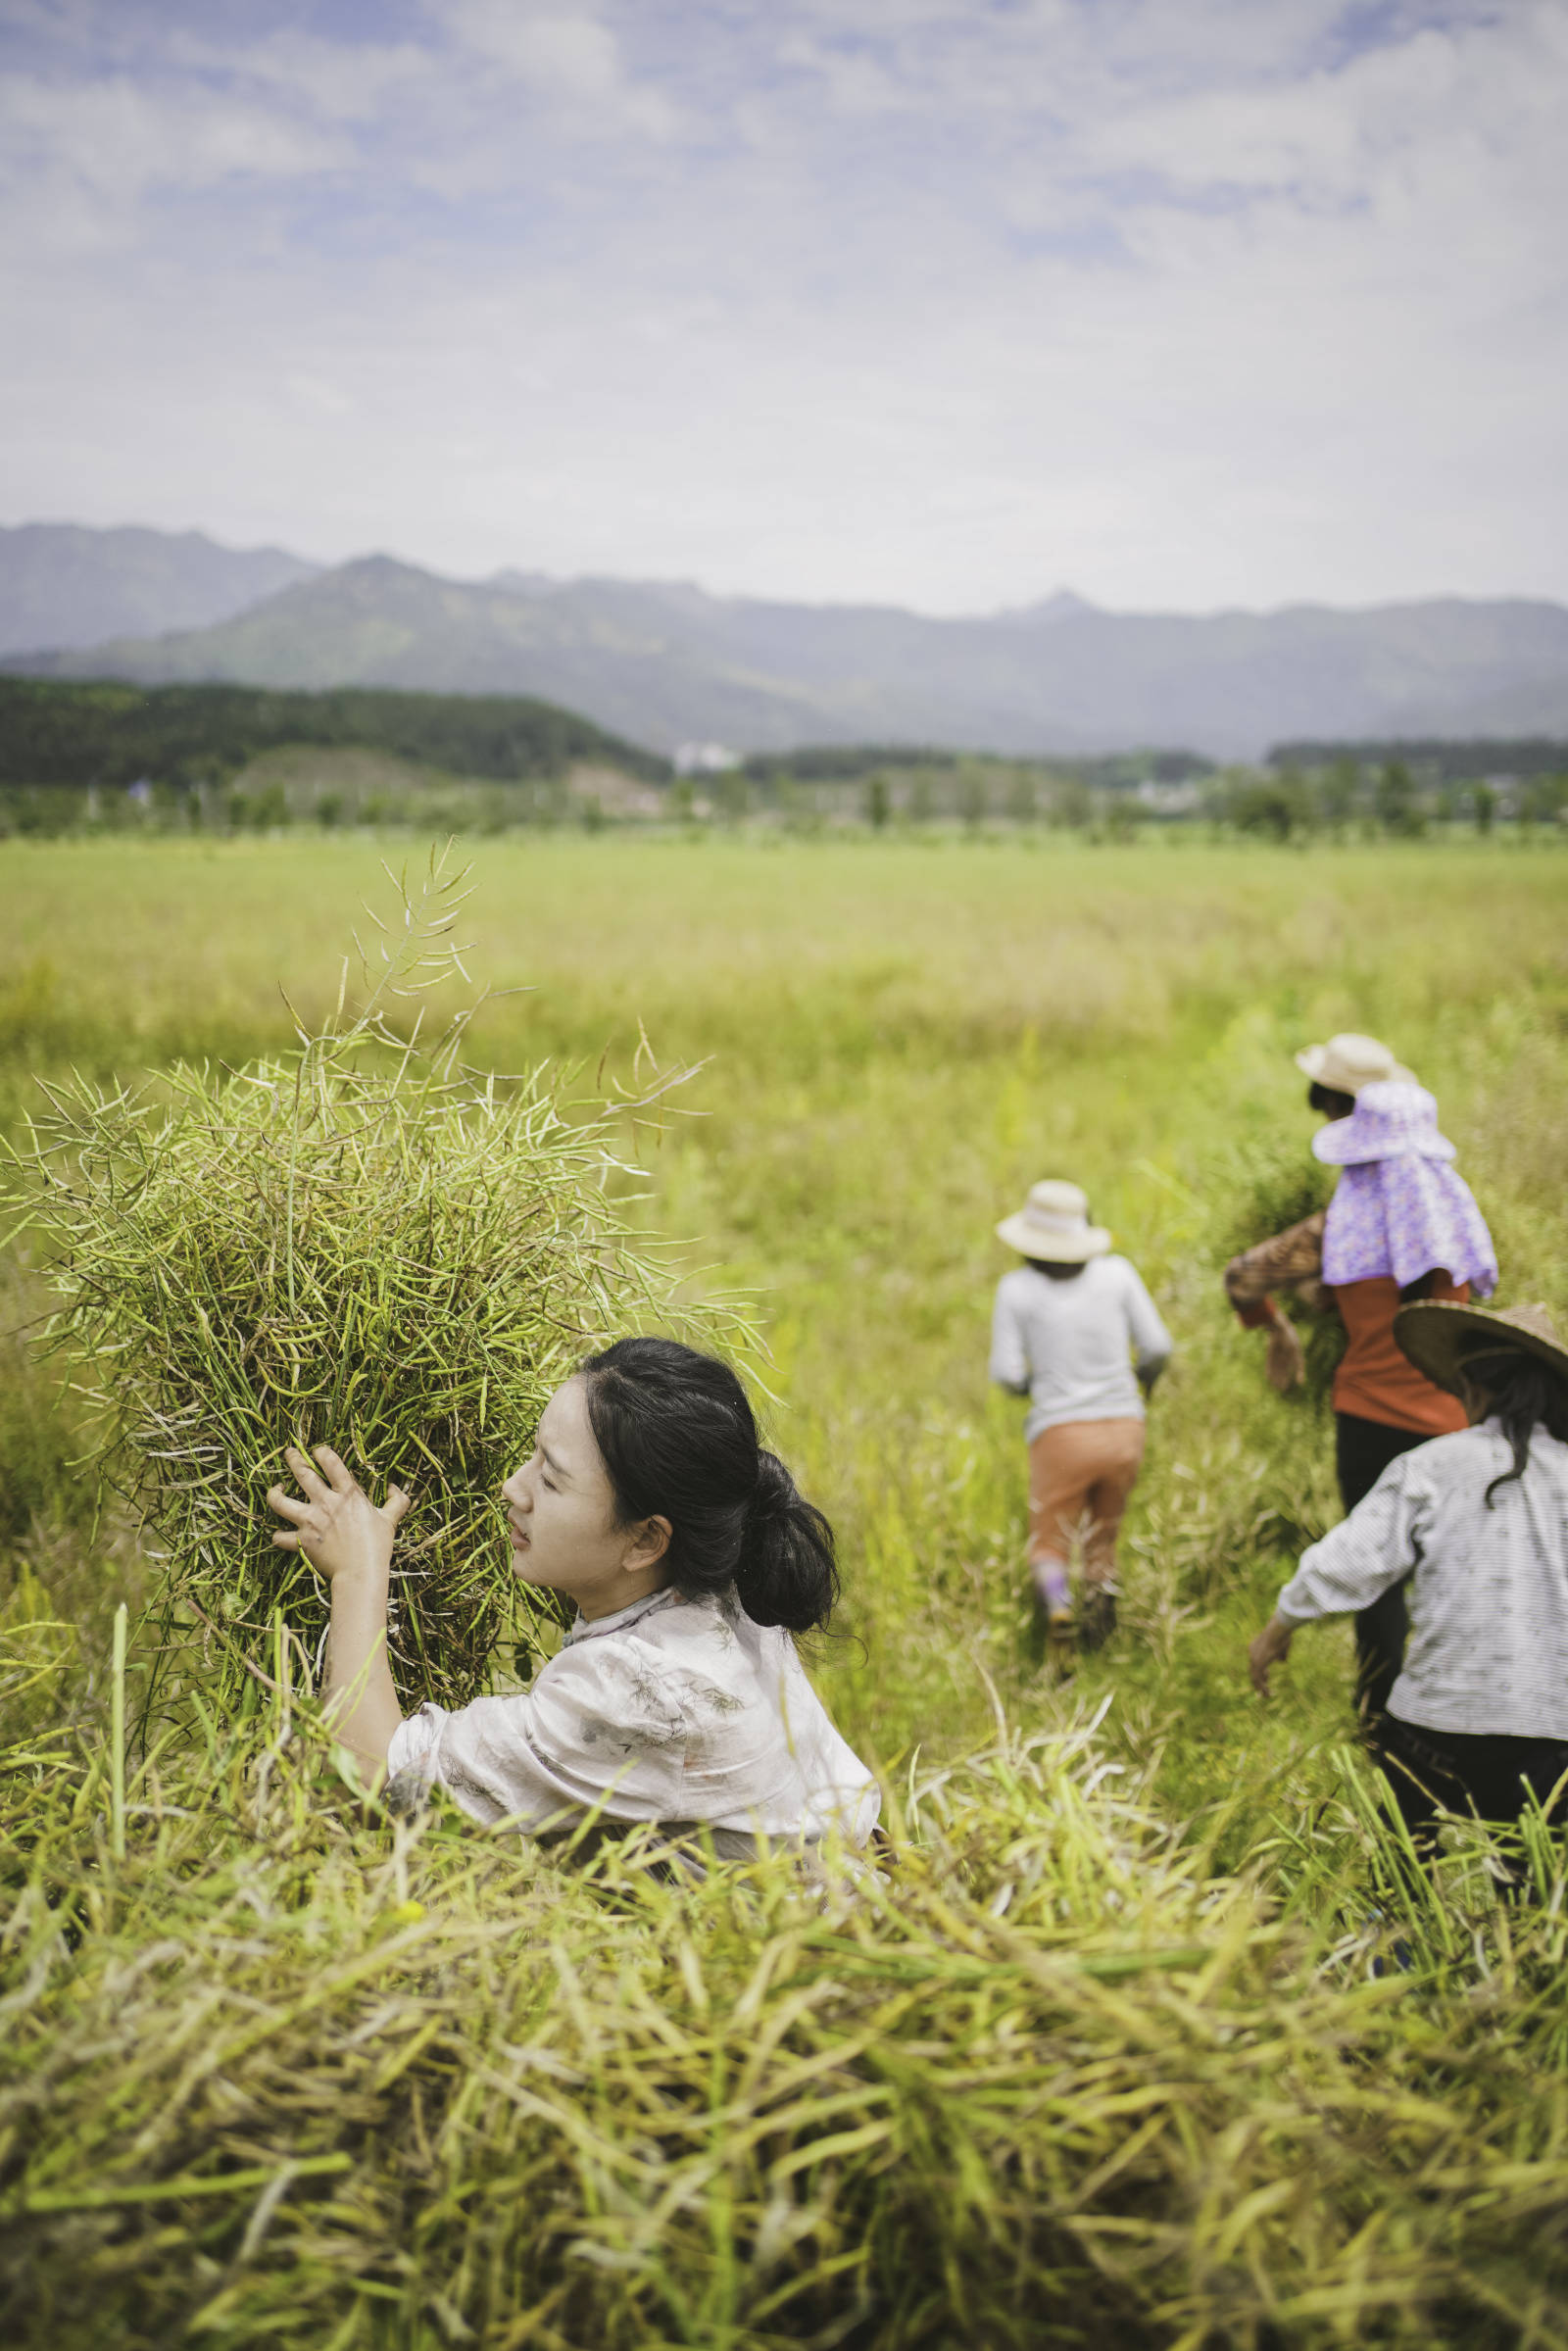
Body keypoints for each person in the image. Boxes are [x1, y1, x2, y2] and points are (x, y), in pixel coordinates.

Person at [266, 1336, 880, 1858]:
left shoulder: (641, 1691)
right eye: (533, 1455)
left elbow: (368, 1776)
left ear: (645, 1540)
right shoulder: (723, 1574)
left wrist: (358, 1569)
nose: (514, 1488)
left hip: (788, 1969)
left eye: (551, 1479)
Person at [1224, 1033, 1496, 1735]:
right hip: (1452, 1421)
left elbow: (1241, 1276)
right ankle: (1458, 1712)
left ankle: (1379, 1715)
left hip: (1368, 1419)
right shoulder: (1451, 1211)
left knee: (1377, 1569)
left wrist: (1279, 1328)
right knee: (1448, 1572)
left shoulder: (1342, 1221)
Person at [1248, 1301, 1568, 1860]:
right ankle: (1524, 1939)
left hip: (1436, 1729)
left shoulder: (1432, 1465)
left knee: (1405, 1862)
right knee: (1533, 1885)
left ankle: (1391, 1936)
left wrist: (1280, 1626)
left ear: (1473, 1389)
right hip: (1552, 1736)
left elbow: (1346, 1561)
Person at [990, 1179, 1172, 1649]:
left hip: (1061, 1434)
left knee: (1050, 1542)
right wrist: (1141, 1381)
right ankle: (1101, 1632)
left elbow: (1007, 1374)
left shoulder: (1017, 1289)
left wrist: (1040, 1383)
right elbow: (1157, 1346)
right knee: (1102, 1535)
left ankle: (1057, 1607)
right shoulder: (1118, 1274)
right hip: (1126, 1428)